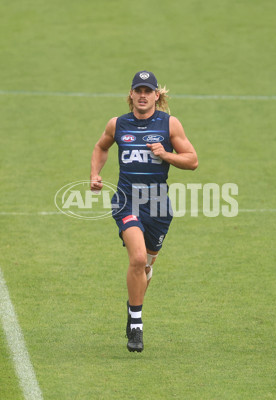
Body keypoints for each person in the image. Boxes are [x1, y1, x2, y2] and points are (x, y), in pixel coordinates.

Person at [90, 71, 198, 352]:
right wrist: (95, 173)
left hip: (159, 204)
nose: (142, 95)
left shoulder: (169, 124)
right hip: (127, 200)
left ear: (156, 95)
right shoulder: (117, 124)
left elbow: (192, 161)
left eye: (147, 91)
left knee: (146, 266)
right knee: (137, 259)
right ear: (131, 94)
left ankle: (132, 307)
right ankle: (136, 326)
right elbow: (101, 146)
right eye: (137, 90)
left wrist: (165, 155)